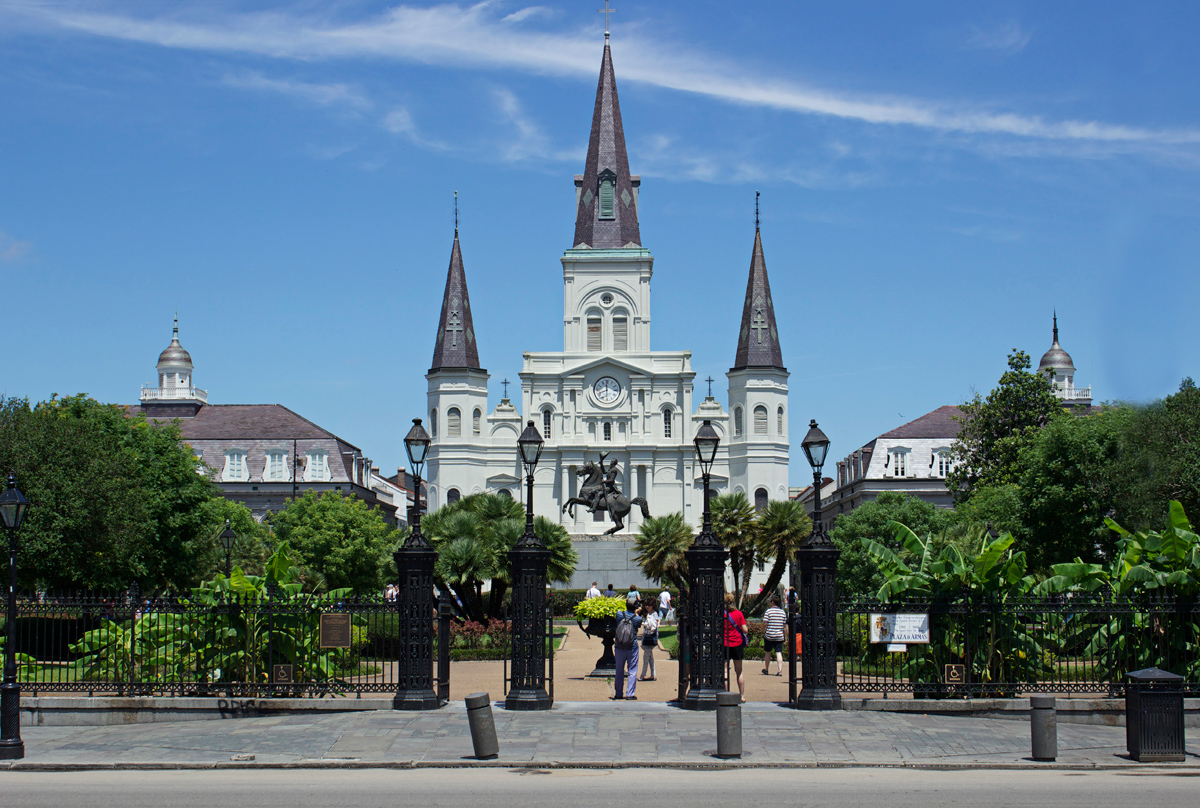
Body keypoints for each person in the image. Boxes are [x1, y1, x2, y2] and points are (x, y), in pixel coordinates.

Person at [613, 593, 643, 700]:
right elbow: (638, 625)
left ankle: (618, 693)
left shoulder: (619, 614)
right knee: (632, 670)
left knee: (619, 670)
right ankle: (630, 693)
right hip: (632, 646)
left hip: (619, 645)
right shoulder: (637, 619)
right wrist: (637, 613)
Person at [723, 592, 748, 702]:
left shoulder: (721, 613)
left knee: (725, 671)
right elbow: (744, 629)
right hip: (737, 643)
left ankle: (726, 694)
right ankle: (742, 695)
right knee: (739, 671)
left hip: (724, 643)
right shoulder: (738, 613)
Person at [762, 594, 787, 676]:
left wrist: (764, 632)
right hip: (779, 635)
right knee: (779, 652)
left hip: (769, 635)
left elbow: (765, 623)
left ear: (772, 602)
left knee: (768, 652)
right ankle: (780, 670)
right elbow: (784, 626)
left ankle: (766, 669)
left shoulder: (768, 611)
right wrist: (785, 636)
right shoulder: (782, 612)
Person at [639, 596, 660, 681]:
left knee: (645, 658)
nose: (647, 607)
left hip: (650, 638)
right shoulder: (649, 614)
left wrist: (645, 625)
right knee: (650, 657)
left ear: (653, 606)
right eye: (646, 605)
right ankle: (653, 674)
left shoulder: (653, 614)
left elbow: (653, 626)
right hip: (647, 637)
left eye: (649, 605)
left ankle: (642, 675)